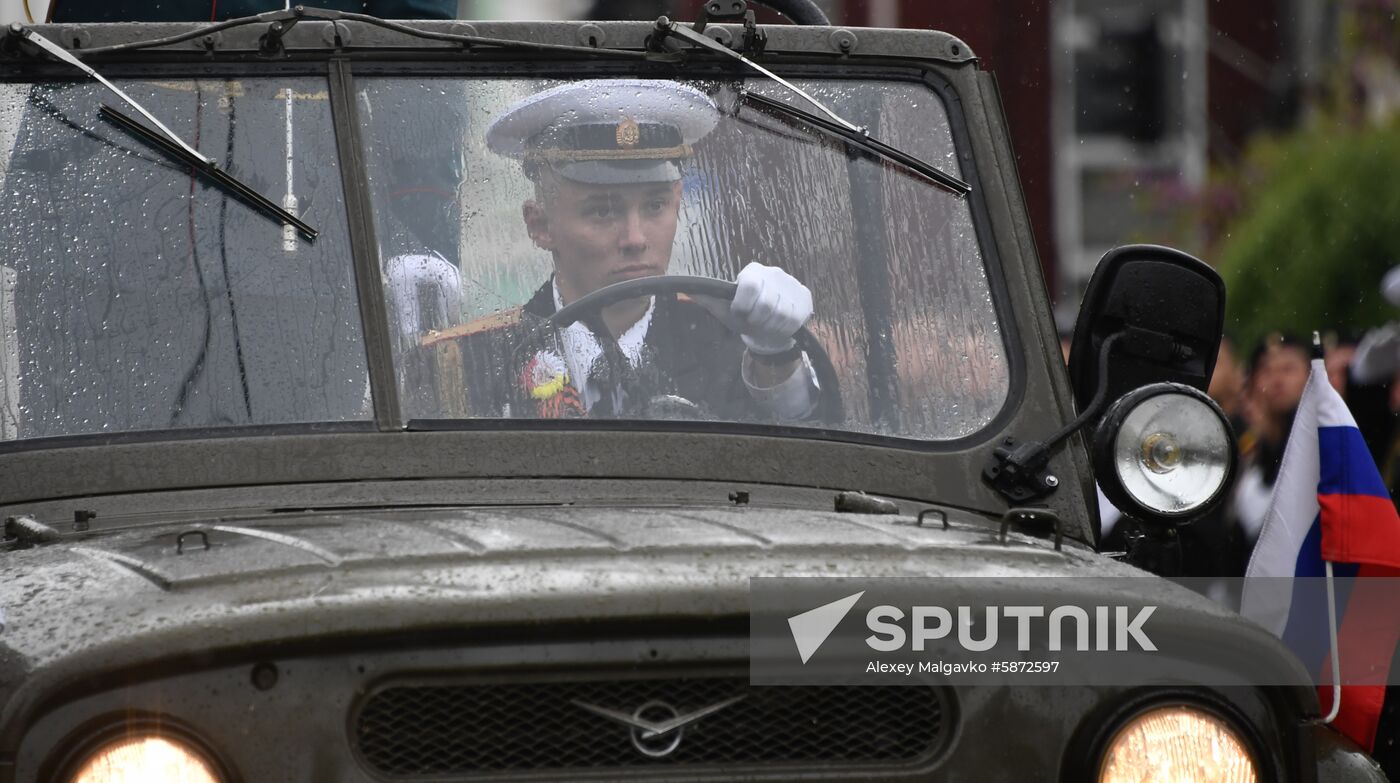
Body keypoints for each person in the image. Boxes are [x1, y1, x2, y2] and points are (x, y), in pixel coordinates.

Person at [427, 79, 821, 421]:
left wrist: (776, 357)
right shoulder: (465, 367)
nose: (635, 238)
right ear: (540, 225)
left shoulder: (733, 349)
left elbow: (805, 465)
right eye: (602, 210)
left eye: (655, 206)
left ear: (678, 201)